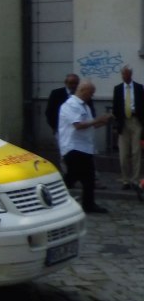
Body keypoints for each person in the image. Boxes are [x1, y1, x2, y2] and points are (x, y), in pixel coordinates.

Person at [58, 80, 112, 213]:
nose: (92, 96)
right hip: (73, 147)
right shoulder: (70, 105)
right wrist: (97, 120)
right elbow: (78, 125)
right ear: (83, 91)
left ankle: (88, 205)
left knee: (88, 179)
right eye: (91, 93)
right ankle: (55, 197)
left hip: (85, 148)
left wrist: (104, 122)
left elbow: (90, 125)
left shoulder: (85, 106)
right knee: (73, 176)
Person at [112, 66, 144, 190]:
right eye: (123, 75)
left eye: (126, 74)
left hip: (136, 121)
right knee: (123, 153)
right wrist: (117, 122)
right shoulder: (118, 89)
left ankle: (135, 179)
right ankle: (125, 179)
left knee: (136, 152)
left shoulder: (139, 88)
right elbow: (115, 107)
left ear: (130, 75)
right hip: (123, 122)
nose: (124, 77)